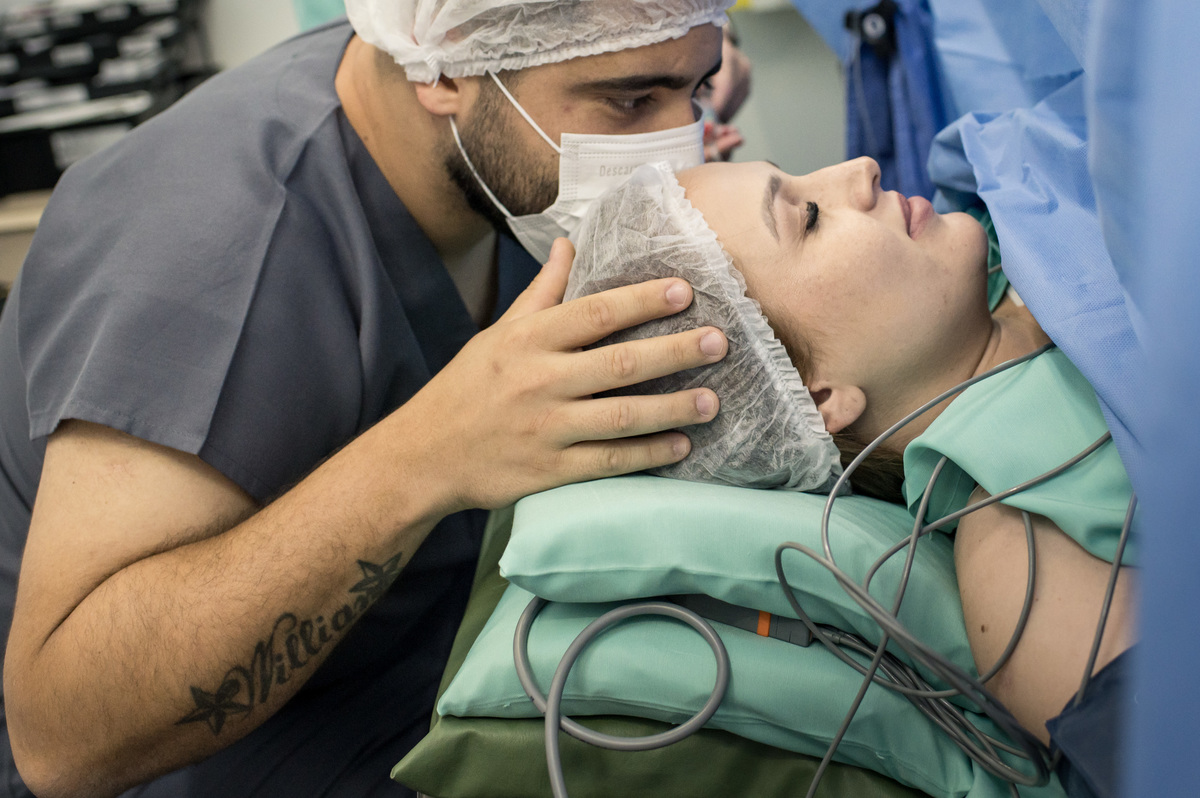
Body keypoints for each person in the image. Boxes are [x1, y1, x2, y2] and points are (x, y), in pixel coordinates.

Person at [0, 2, 740, 797]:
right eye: (632, 102)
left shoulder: (484, 104)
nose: (676, 142)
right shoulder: (214, 246)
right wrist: (426, 456)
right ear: (446, 69)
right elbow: (62, 741)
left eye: (696, 89)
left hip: (440, 677)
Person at [566, 158, 1136, 798]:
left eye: (805, 176)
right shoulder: (1024, 544)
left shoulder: (1017, 196)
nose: (861, 170)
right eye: (807, 218)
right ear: (815, 398)